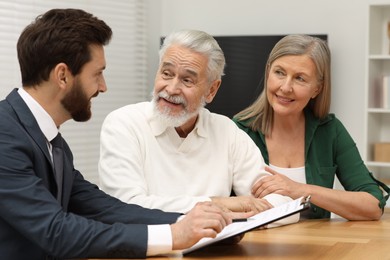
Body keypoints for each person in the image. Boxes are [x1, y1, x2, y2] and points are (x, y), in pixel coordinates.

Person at [0, 9, 250, 260]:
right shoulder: (4, 134)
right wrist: (173, 235)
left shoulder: (52, 142)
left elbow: (103, 209)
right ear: (63, 76)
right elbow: (57, 232)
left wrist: (200, 223)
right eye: (97, 74)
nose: (103, 86)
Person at [98, 29, 297, 227]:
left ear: (211, 90)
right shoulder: (123, 123)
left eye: (187, 80)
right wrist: (218, 204)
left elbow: (284, 205)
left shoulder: (227, 131)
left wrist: (241, 218)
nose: (172, 89)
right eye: (166, 74)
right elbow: (126, 207)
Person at [233, 34, 389, 220]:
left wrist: (299, 189)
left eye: (300, 78)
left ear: (317, 88)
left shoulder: (330, 131)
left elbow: (373, 205)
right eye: (279, 72)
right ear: (268, 73)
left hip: (320, 247)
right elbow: (214, 204)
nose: (286, 87)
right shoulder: (237, 131)